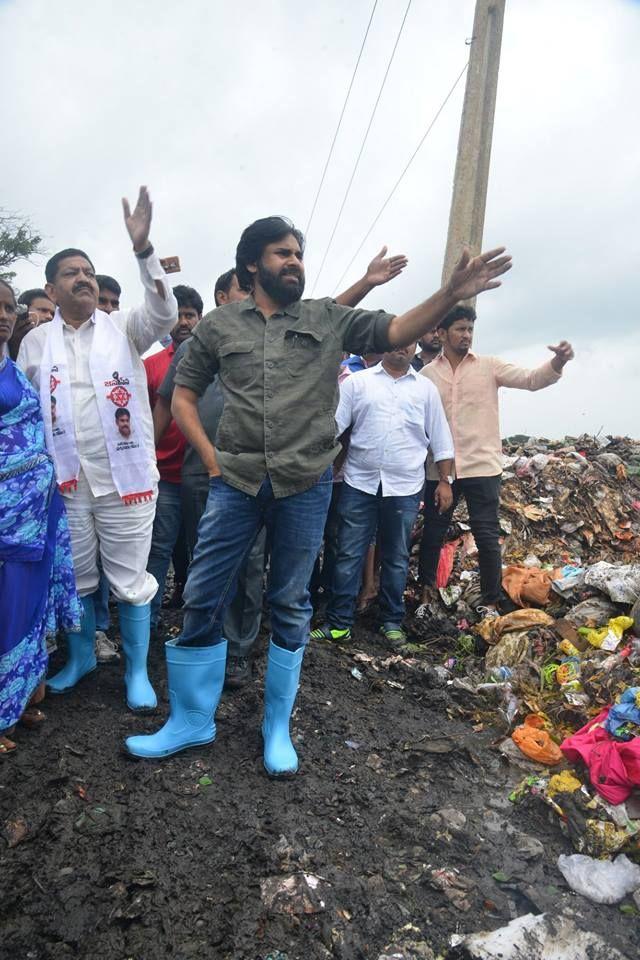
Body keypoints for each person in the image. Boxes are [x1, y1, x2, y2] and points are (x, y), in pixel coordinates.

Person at [125, 216, 510, 770]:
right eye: (283, 253)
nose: (295, 262)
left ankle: (277, 728)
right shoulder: (219, 327)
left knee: (290, 601)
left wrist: (450, 293)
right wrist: (211, 462)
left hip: (305, 485)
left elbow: (397, 330)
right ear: (253, 263)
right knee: (203, 592)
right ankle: (190, 720)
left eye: (299, 254)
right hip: (233, 485)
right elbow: (183, 398)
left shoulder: (327, 318)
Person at [18, 186, 178, 712]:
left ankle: (136, 671)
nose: (84, 278)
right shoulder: (36, 343)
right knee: (81, 576)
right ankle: (83, 657)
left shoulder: (126, 328)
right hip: (66, 483)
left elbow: (165, 310)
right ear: (51, 288)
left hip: (125, 480)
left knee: (130, 580)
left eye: (88, 271)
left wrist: (142, 248)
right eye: (72, 273)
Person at [419, 305, 574, 614]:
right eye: (460, 329)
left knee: (487, 536)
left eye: (470, 329)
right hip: (440, 471)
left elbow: (531, 379)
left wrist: (558, 361)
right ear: (442, 333)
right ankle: (426, 597)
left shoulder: (489, 366)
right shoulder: (426, 376)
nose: (466, 335)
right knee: (433, 533)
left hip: (482, 467)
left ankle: (489, 601)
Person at [154, 268, 267, 689]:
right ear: (222, 296)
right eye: (245, 289)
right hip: (201, 470)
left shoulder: (266, 342)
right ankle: (202, 643)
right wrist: (147, 455)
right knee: (203, 560)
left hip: (254, 474)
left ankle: (237, 651)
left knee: (250, 563)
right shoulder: (196, 345)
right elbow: (168, 403)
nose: (254, 296)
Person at [312, 342, 454, 647]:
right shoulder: (358, 384)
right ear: (385, 343)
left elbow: (440, 438)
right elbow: (334, 429)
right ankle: (339, 623)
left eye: (409, 342)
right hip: (359, 483)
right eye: (397, 340)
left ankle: (391, 622)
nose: (403, 347)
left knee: (397, 557)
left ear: (414, 346)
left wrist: (445, 481)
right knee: (349, 552)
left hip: (404, 487)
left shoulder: (425, 390)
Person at [0, 279, 81, 755]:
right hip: (5, 523)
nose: (5, 314)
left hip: (38, 513)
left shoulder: (14, 368)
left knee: (29, 606)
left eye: (9, 307)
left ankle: (21, 694)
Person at [144, 284, 202, 637]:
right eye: (178, 315)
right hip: (164, 475)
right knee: (157, 551)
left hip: (204, 475)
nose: (183, 322)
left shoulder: (214, 360)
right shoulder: (150, 366)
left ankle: (198, 625)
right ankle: (147, 622)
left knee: (202, 553)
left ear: (200, 318)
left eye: (190, 315)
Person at [90, 274, 124, 660]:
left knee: (116, 566)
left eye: (116, 303)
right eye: (104, 302)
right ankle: (80, 644)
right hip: (69, 478)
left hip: (117, 477)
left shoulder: (125, 350)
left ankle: (103, 632)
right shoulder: (45, 349)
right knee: (82, 564)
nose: (110, 310)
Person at [8, 289, 55, 360]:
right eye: (43, 310)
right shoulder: (4, 339)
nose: (50, 316)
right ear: (24, 310)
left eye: (52, 314)